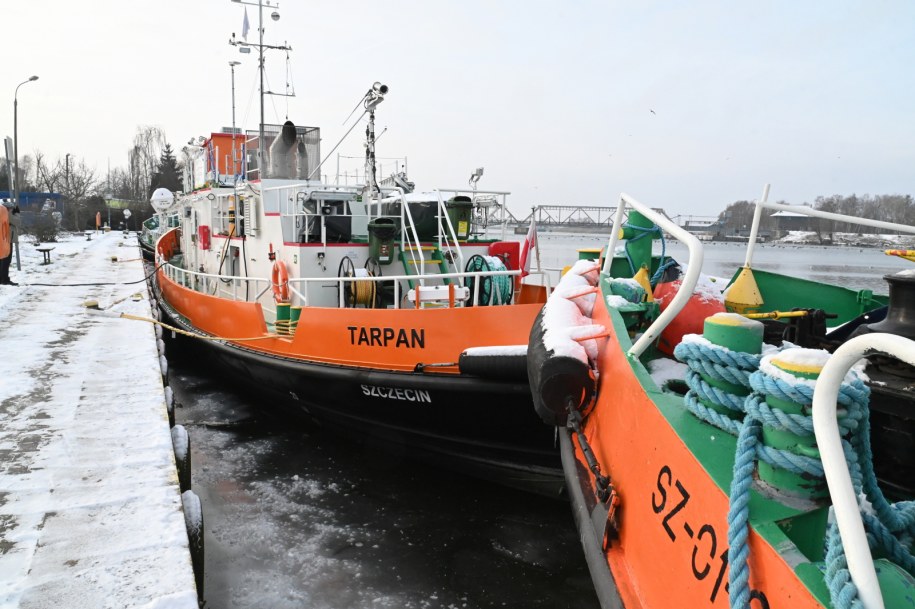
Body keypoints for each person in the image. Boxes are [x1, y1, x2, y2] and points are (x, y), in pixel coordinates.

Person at [0, 200, 15, 285]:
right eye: (11, 209)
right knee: (6, 260)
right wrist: (16, 214)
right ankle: (5, 279)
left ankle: (2, 278)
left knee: (2, 260)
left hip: (3, 239)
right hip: (6, 240)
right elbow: (17, 222)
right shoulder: (6, 214)